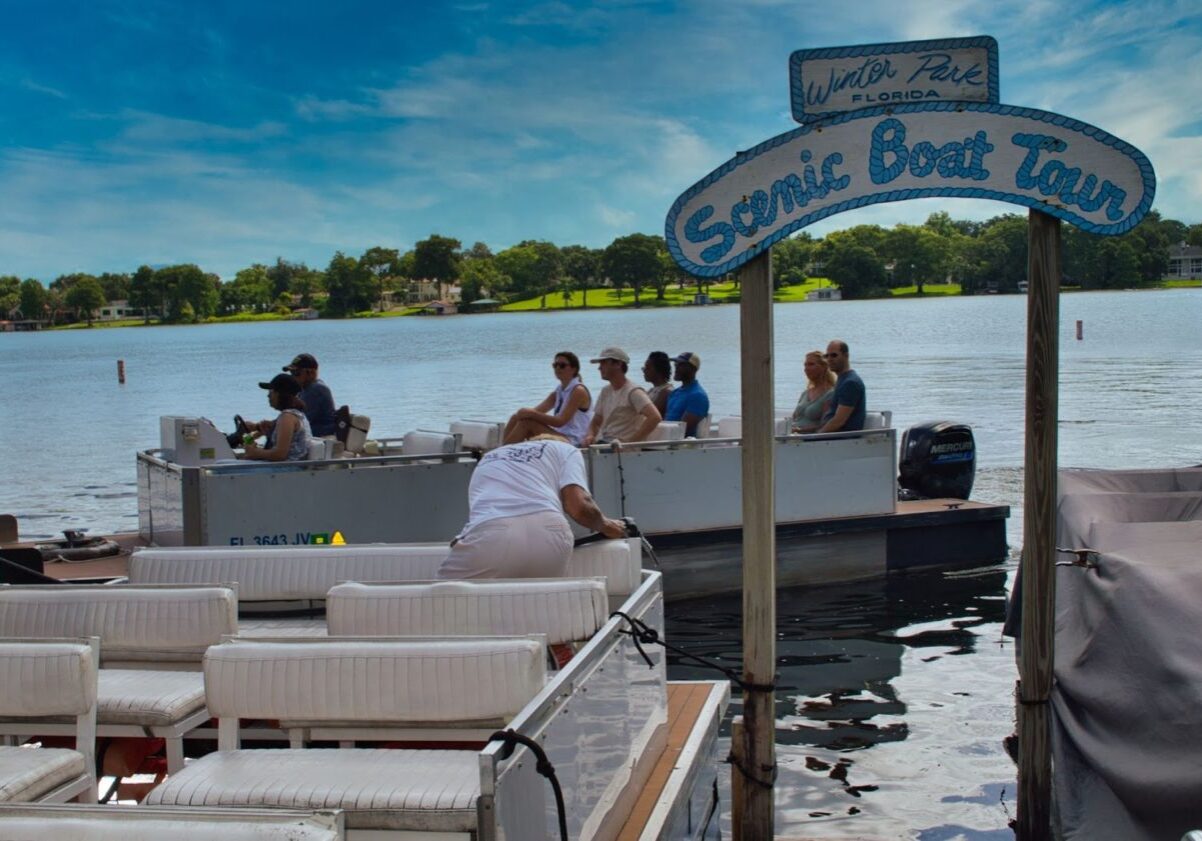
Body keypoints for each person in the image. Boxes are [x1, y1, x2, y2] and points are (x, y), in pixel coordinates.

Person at [437, 435, 628, 579]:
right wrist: (607, 525)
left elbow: (480, 512)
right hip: (551, 531)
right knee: (537, 606)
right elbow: (578, 506)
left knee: (440, 604)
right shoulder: (566, 449)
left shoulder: (489, 457)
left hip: (492, 531)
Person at [502, 351, 593, 445]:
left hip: (572, 440)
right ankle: (502, 450)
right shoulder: (559, 391)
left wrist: (531, 414)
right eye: (555, 365)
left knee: (527, 423)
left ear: (573, 369)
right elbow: (537, 411)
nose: (557, 368)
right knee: (516, 417)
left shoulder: (578, 390)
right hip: (559, 435)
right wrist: (525, 414)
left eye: (562, 365)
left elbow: (560, 422)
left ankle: (502, 455)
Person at [580, 347, 662, 446]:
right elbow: (596, 421)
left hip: (621, 451)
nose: (599, 367)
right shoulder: (605, 391)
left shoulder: (633, 392)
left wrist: (630, 444)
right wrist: (590, 435)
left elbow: (655, 417)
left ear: (618, 364)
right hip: (605, 444)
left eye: (604, 363)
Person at [241, 373, 312, 462]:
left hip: (285, 470)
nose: (268, 395)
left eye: (271, 391)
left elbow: (279, 455)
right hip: (283, 468)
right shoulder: (294, 415)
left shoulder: (287, 418)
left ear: (280, 394)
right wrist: (261, 432)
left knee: (221, 469)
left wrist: (255, 453)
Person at [817, 339, 866, 433]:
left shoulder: (850, 383)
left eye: (834, 355)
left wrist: (814, 437)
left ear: (846, 356)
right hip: (830, 437)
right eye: (827, 356)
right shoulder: (842, 380)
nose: (829, 359)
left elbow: (838, 422)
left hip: (841, 440)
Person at [283, 353, 338, 437]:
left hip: (320, 435)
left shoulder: (316, 389)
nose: (293, 377)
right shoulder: (306, 389)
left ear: (311, 373)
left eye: (296, 373)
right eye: (291, 373)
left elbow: (300, 420)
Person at [664, 352, 710, 437]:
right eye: (675, 364)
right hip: (666, 440)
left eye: (681, 365)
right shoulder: (675, 393)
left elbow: (682, 430)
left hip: (681, 445)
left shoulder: (697, 396)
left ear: (693, 369)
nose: (676, 368)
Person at [791, 350, 837, 433]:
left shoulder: (830, 394)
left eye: (811, 364)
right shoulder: (805, 393)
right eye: (805, 365)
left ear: (824, 367)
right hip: (792, 436)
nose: (806, 369)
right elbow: (793, 418)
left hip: (809, 439)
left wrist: (800, 430)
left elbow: (825, 424)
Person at [642, 351, 674, 416]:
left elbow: (649, 414)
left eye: (648, 368)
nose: (644, 370)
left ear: (659, 370)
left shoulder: (666, 392)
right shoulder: (652, 390)